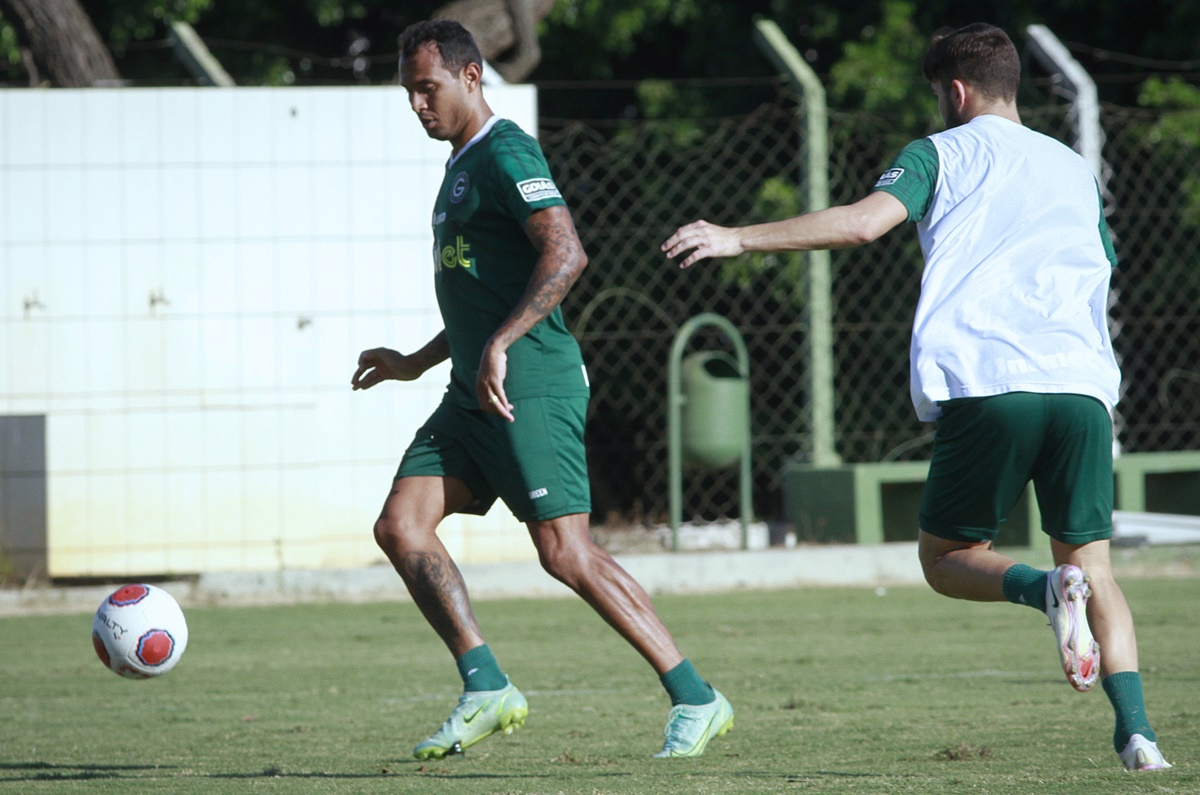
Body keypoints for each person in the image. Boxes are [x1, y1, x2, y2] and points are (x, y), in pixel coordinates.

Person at [662, 23, 1170, 772]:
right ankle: (1139, 737)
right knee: (1095, 568)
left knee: (946, 557)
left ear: (955, 92)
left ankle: (1040, 589)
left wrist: (740, 236)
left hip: (990, 382)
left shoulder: (939, 152)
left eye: (939, 94)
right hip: (1082, 387)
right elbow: (1101, 261)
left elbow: (865, 225)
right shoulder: (1072, 167)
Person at [352, 19, 732, 760]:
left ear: (470, 77)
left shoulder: (507, 151)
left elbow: (567, 252)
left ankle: (696, 695)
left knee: (565, 552)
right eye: (408, 92)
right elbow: (478, 295)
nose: (417, 105)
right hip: (471, 390)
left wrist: (500, 343)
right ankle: (486, 684)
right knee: (401, 525)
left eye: (427, 88)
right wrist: (419, 361)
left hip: (530, 383)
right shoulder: (458, 165)